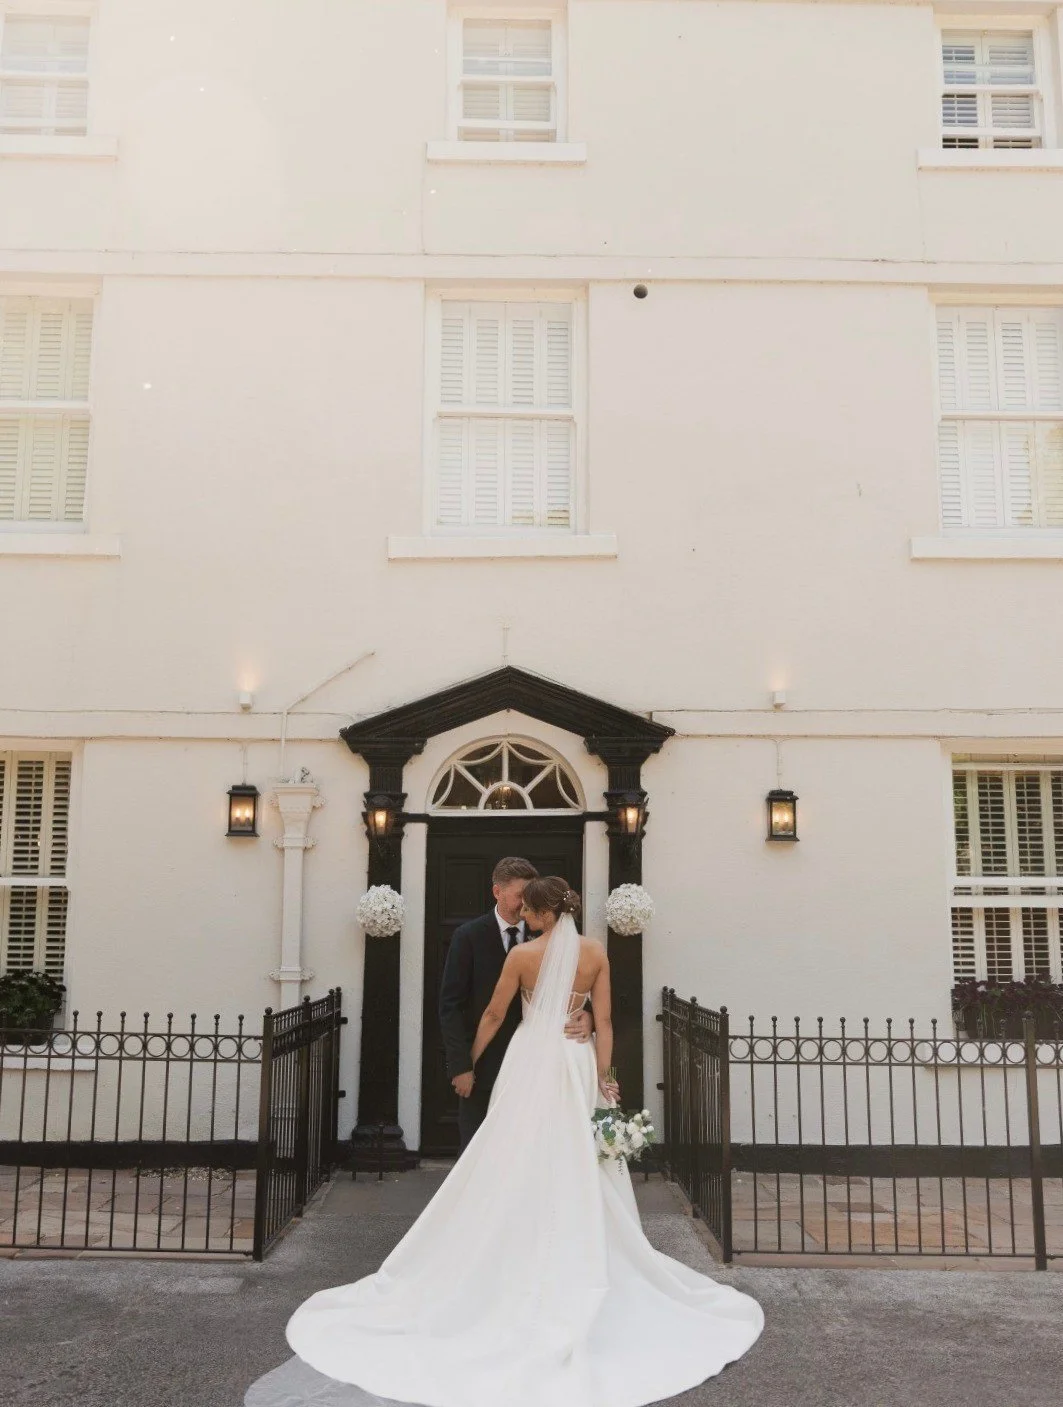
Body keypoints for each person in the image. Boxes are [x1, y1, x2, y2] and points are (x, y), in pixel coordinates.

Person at [249, 876, 765, 1407]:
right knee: (577, 1156)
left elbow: (496, 1014)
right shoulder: (595, 954)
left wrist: (470, 1059)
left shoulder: (522, 957)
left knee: (513, 1148)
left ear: (541, 914)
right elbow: (605, 1021)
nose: (524, 915)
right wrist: (606, 1075)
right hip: (575, 1064)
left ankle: (513, 1237)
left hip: (531, 1061)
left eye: (530, 910)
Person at [438, 856, 596, 1151]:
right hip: (483, 1065)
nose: (527, 904)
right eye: (520, 896)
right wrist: (461, 1065)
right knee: (477, 1150)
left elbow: (573, 987)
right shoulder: (467, 936)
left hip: (537, 1064)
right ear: (497, 892)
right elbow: (450, 1007)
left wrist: (586, 1016)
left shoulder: (549, 933)